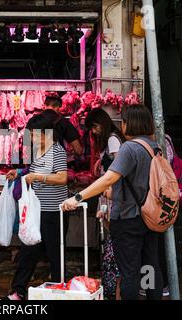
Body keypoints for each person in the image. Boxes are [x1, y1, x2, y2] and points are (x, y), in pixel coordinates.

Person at [62, 104, 163, 300]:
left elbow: (109, 178)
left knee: (129, 271)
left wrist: (77, 197)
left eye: (123, 121)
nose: (122, 125)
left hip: (129, 219)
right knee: (150, 265)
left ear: (129, 124)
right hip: (150, 216)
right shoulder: (154, 147)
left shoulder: (129, 148)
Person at [1, 113, 69, 300]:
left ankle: (59, 291)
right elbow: (32, 170)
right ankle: (18, 291)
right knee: (28, 250)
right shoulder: (38, 152)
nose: (33, 137)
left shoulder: (57, 151)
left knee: (55, 253)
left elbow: (63, 178)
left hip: (54, 210)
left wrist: (39, 177)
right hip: (36, 210)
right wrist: (19, 172)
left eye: (35, 134)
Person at [85, 108, 125, 300]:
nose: (94, 131)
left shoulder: (112, 139)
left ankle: (115, 286)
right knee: (110, 238)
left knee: (113, 238)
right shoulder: (112, 139)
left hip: (112, 195)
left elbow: (119, 167)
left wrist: (113, 190)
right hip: (109, 194)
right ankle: (112, 283)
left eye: (94, 126)